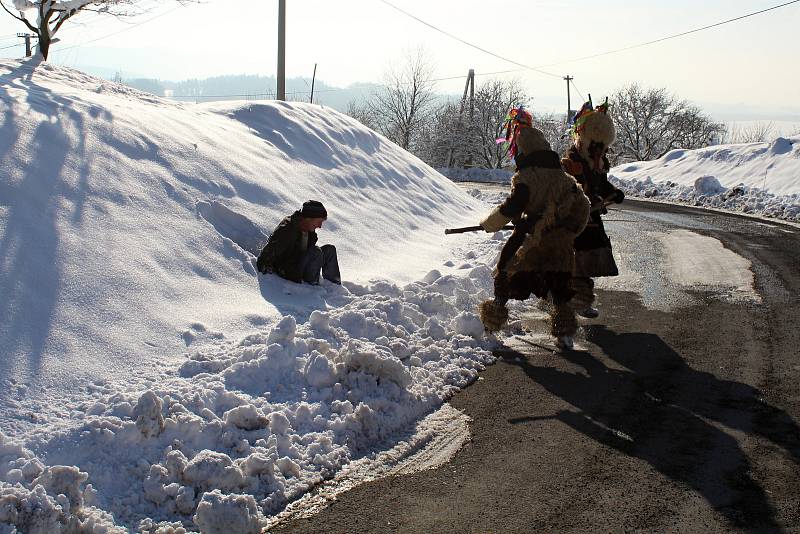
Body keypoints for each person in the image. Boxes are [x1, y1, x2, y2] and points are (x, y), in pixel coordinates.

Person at [478, 108, 590, 349]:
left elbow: (513, 206)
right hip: (558, 244)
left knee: (506, 271)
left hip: (530, 239)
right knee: (559, 284)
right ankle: (565, 334)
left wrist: (490, 224)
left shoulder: (526, 177)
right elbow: (583, 206)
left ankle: (493, 320)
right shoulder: (564, 178)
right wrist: (568, 231)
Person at [561, 99, 625, 319]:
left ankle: (579, 300)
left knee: (586, 262)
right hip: (575, 221)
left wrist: (613, 192)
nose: (600, 149)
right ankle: (576, 301)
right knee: (577, 262)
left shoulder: (598, 162)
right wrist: (590, 199)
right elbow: (571, 191)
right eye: (597, 143)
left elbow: (601, 184)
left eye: (603, 144)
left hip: (592, 219)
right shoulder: (571, 163)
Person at [256, 200, 341, 285]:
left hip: (301, 262)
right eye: (319, 221)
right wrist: (266, 266)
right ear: (308, 218)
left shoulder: (308, 228)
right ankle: (313, 286)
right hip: (290, 269)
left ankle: (334, 285)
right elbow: (268, 253)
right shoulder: (287, 230)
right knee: (315, 251)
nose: (320, 226)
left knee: (330, 249)